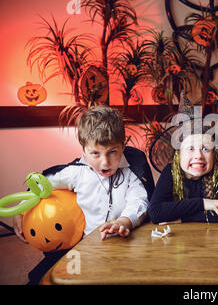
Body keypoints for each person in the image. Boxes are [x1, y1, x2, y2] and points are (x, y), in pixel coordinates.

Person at [12, 105, 154, 284]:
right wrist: (21, 211)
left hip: (126, 243)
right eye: (95, 153)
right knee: (45, 278)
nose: (105, 162)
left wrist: (124, 221)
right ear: (84, 149)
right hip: (87, 245)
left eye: (113, 152)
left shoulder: (132, 173)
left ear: (123, 144)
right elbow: (43, 184)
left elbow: (139, 201)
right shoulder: (77, 173)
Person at [148, 93, 218, 224]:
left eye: (205, 149)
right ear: (178, 155)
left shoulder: (216, 173)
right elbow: (156, 213)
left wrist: (184, 218)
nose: (198, 155)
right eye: (190, 149)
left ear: (214, 154)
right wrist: (203, 203)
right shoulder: (170, 172)